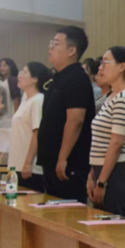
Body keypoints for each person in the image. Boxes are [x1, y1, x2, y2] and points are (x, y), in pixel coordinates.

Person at [38, 26, 96, 202]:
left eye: (56, 43)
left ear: (71, 50)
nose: (50, 47)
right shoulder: (58, 77)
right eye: (51, 42)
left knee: (67, 213)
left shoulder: (77, 78)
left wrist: (63, 158)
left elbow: (75, 120)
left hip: (68, 164)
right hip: (52, 161)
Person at [88, 47, 125, 217]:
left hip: (116, 171)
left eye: (105, 62)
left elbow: (116, 143)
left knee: (114, 226)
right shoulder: (111, 96)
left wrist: (101, 183)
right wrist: (92, 175)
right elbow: (100, 141)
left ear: (121, 67)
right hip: (103, 170)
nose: (100, 68)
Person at [10, 62, 50, 192]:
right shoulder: (25, 100)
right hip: (17, 165)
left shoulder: (38, 100)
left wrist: (28, 163)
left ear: (34, 79)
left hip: (30, 168)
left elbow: (37, 133)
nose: (19, 75)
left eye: (24, 72)